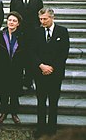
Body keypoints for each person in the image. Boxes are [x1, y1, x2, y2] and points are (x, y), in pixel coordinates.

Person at [31, 8, 69, 138]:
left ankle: (52, 129)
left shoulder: (62, 31)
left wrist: (51, 67)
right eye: (40, 19)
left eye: (45, 19)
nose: (42, 21)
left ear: (52, 18)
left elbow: (64, 53)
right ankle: (40, 128)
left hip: (55, 73)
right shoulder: (36, 32)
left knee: (53, 102)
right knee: (41, 102)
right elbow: (32, 52)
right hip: (40, 73)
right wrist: (41, 66)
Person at [0, 11, 26, 124]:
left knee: (14, 93)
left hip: (16, 69)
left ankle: (14, 113)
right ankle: (4, 112)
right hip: (2, 69)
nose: (11, 22)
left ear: (18, 23)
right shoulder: (0, 35)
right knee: (3, 92)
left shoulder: (22, 36)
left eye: (14, 21)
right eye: (10, 20)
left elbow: (26, 54)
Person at [10, 0, 44, 91]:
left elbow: (40, 16)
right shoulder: (14, 0)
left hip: (32, 35)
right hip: (19, 34)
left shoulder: (37, 0)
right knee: (18, 59)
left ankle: (29, 81)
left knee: (30, 59)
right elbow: (13, 16)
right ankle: (18, 83)